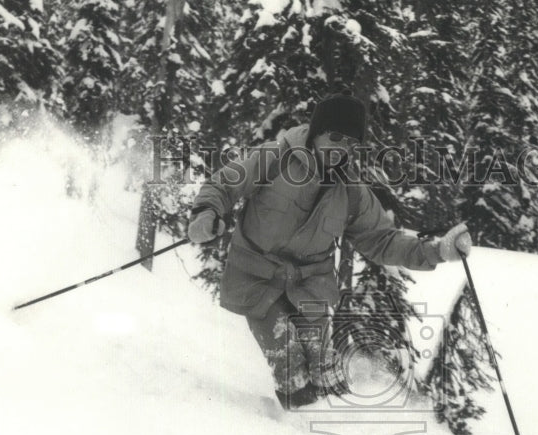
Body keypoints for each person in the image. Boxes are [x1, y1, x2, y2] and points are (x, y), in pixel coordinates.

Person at [187, 92, 472, 410]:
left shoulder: (351, 191)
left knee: (325, 368)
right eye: (335, 137)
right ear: (316, 131)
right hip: (257, 276)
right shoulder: (274, 159)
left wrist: (436, 252)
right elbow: (224, 184)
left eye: (350, 143)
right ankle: (296, 434)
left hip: (310, 284)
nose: (341, 149)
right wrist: (207, 213)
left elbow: (381, 240)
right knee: (290, 362)